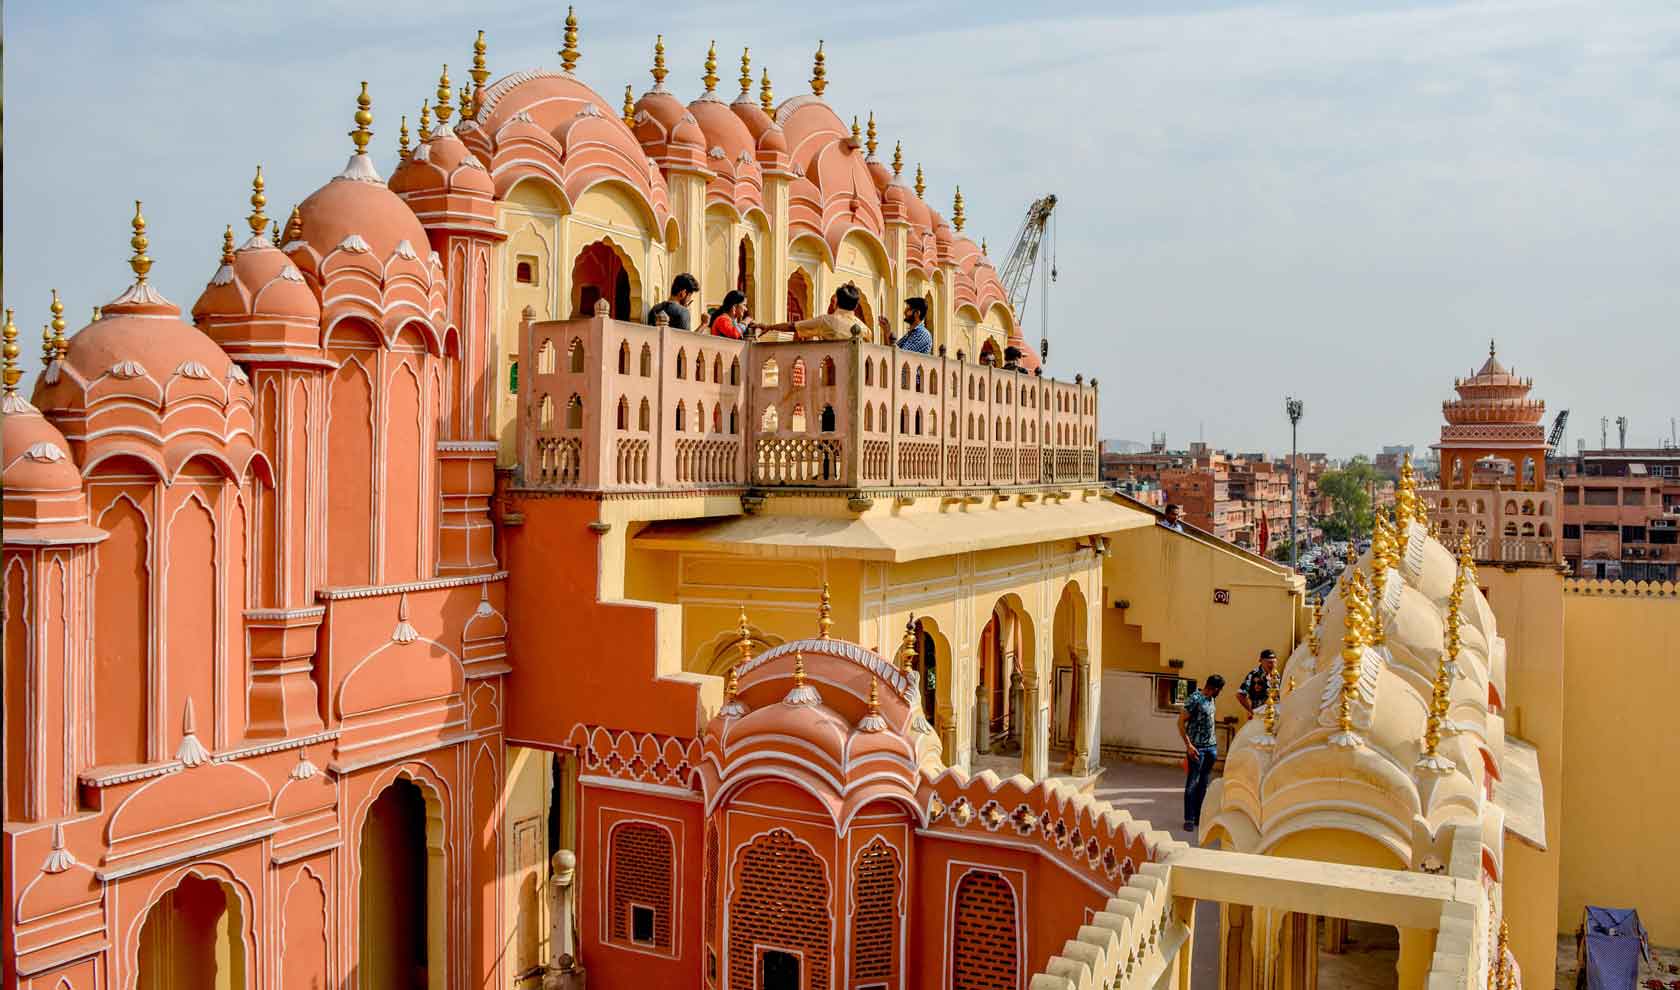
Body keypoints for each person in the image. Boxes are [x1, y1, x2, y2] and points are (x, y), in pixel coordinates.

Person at [1178, 673, 1224, 834]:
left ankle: (1198, 816)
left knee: (1203, 784)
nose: (1220, 693)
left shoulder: (1212, 699)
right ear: (1215, 688)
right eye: (1220, 689)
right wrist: (1189, 745)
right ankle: (1189, 819)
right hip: (1197, 748)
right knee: (1192, 783)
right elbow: (1180, 722)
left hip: (1211, 748)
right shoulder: (1195, 699)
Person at [754, 282, 869, 341]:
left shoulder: (827, 321)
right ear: (855, 306)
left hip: (832, 378)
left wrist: (770, 327)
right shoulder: (864, 329)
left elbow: (793, 327)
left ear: (836, 302)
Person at [1237, 649, 1278, 719]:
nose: (1272, 665)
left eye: (1274, 662)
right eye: (1269, 662)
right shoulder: (1254, 675)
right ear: (1261, 661)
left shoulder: (1276, 675)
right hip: (1260, 716)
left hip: (1273, 715)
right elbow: (1240, 695)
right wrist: (1250, 711)